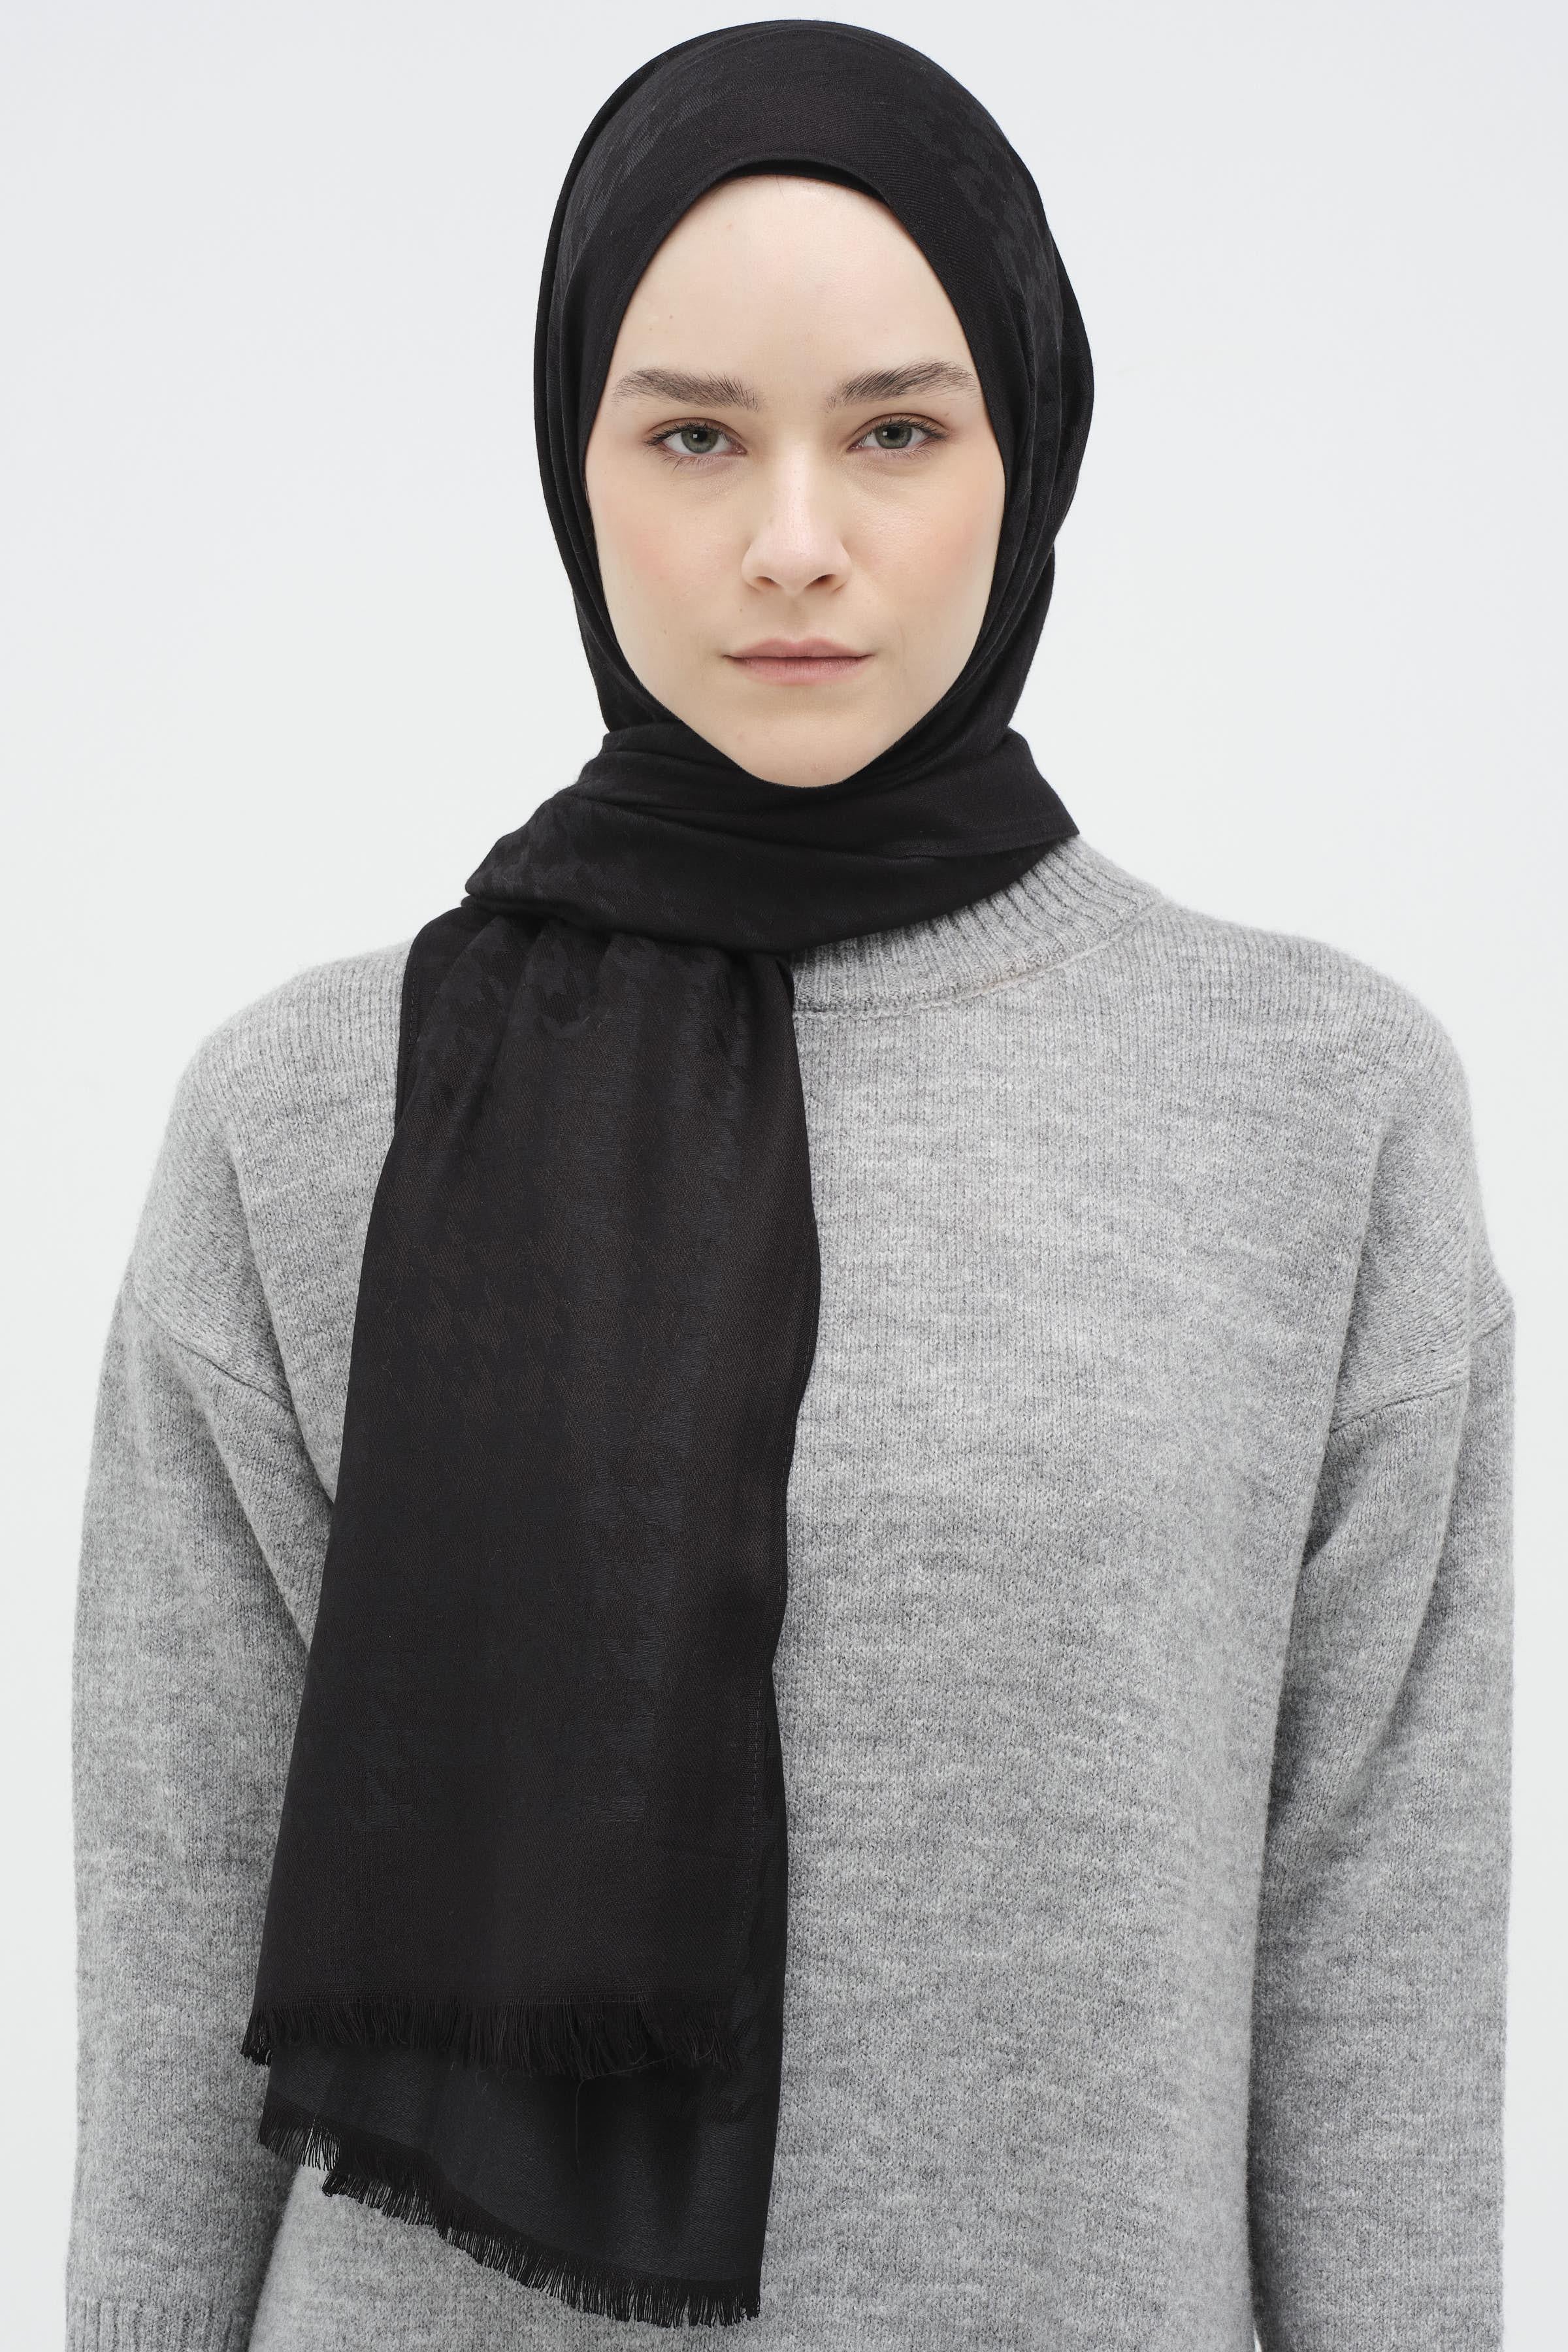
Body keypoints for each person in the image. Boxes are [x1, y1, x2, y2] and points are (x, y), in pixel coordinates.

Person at [66, 22, 1514, 2352]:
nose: (796, 540)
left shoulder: (1317, 1106)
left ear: (1027, 450)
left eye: (899, 432)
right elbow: (167, 2000)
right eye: (695, 436)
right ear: (577, 462)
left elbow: (1376, 1999)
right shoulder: (310, 1114)